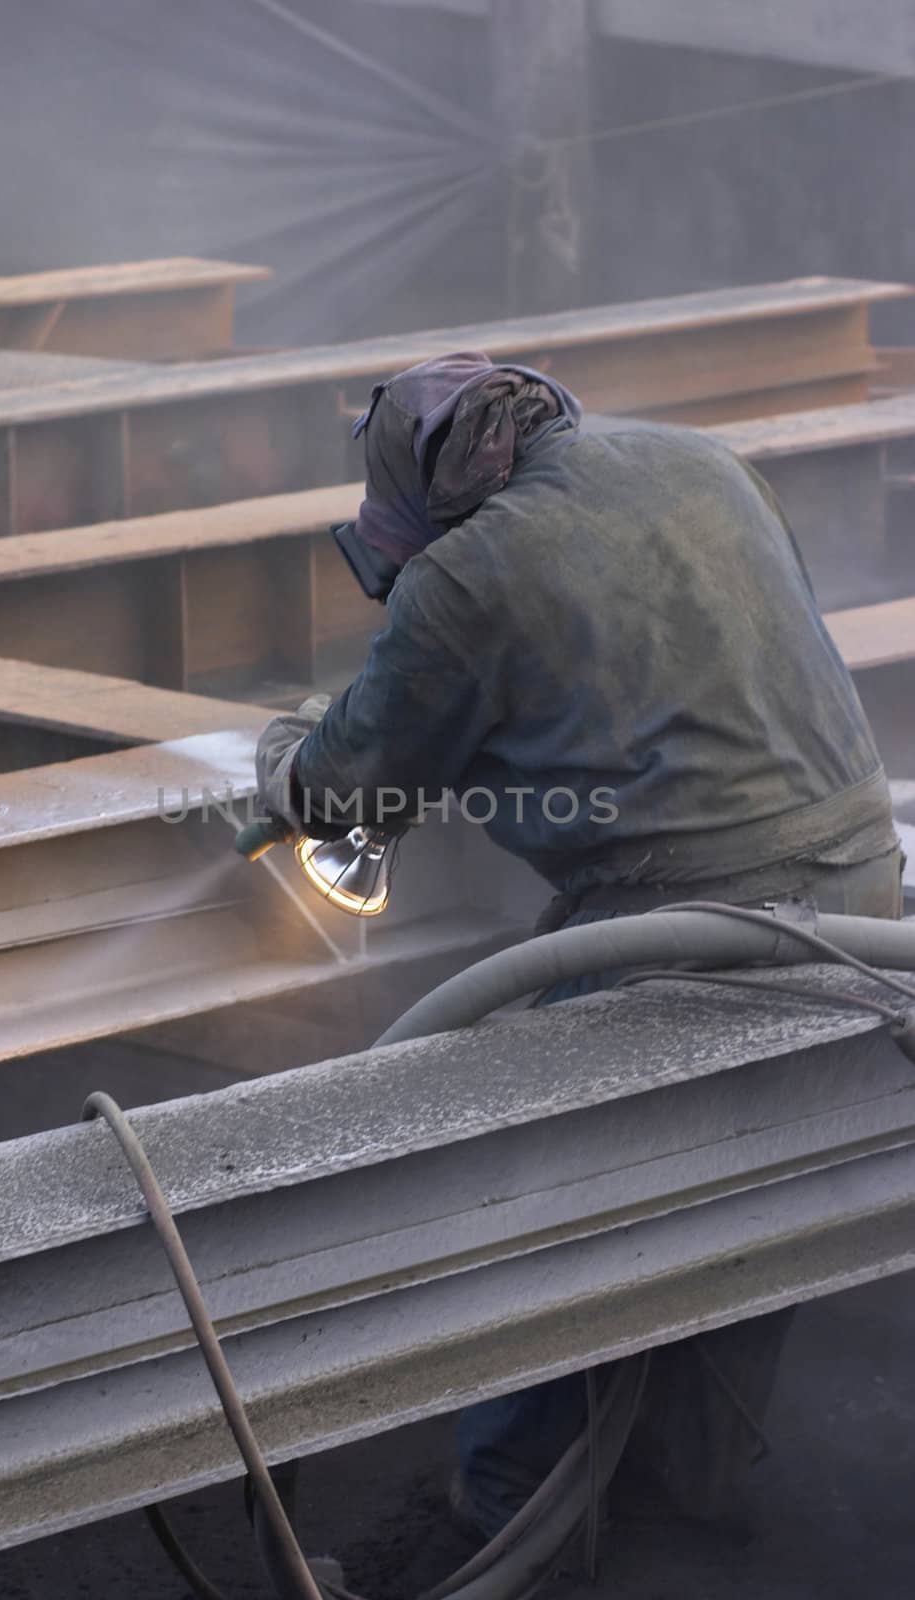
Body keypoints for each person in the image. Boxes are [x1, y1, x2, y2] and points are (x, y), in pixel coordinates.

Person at [254, 351, 903, 1543]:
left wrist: (286, 750)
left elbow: (347, 791)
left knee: (549, 1204)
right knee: (757, 1203)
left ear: (427, 491)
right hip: (870, 901)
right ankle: (685, 1501)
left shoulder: (468, 572)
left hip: (689, 936)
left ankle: (508, 1521)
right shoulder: (697, 461)